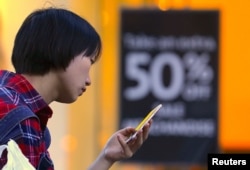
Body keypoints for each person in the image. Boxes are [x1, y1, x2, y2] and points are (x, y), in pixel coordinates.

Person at [0, 7, 152, 170]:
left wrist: (107, 157)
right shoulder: (21, 122)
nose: (89, 80)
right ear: (60, 49)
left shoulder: (14, 106)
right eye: (90, 60)